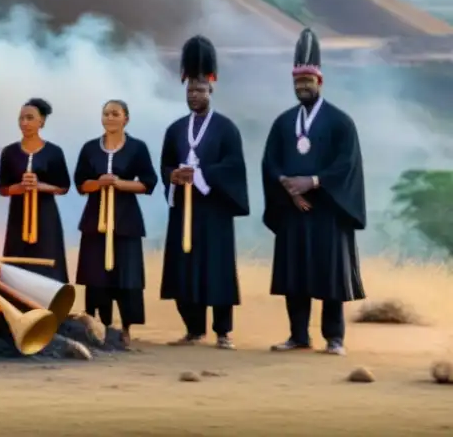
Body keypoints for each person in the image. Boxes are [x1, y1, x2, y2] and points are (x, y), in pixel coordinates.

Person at [262, 27, 366, 356]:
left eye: (307, 81)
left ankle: (334, 338)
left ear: (320, 82)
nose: (302, 87)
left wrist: (312, 182)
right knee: (296, 276)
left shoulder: (340, 122)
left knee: (330, 277)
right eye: (297, 82)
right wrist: (288, 187)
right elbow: (270, 161)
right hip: (295, 210)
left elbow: (346, 164)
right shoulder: (282, 123)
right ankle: (298, 336)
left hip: (328, 211)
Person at [159, 35, 249, 350]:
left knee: (217, 270)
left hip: (214, 210)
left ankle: (223, 331)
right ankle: (194, 329)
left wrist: (200, 175)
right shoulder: (174, 129)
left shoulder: (226, 128)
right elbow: (166, 164)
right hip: (183, 207)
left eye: (199, 89)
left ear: (211, 89)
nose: (194, 95)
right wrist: (174, 176)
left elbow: (234, 166)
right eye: (189, 90)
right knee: (184, 269)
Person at [73, 99, 158, 348]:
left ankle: (126, 329)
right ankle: (99, 325)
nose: (110, 118)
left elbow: (148, 183)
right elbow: (80, 184)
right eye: (106, 114)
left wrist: (119, 183)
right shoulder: (90, 148)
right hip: (95, 220)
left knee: (126, 274)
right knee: (96, 274)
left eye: (115, 114)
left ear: (126, 119)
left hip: (125, 220)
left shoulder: (137, 148)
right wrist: (99, 183)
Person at [0, 98, 70, 283]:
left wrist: (39, 186)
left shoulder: (54, 152)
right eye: (21, 118)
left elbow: (63, 187)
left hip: (45, 217)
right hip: (18, 217)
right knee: (18, 268)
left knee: (47, 265)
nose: (24, 123)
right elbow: (3, 189)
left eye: (30, 118)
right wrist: (21, 188)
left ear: (42, 121)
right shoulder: (9, 152)